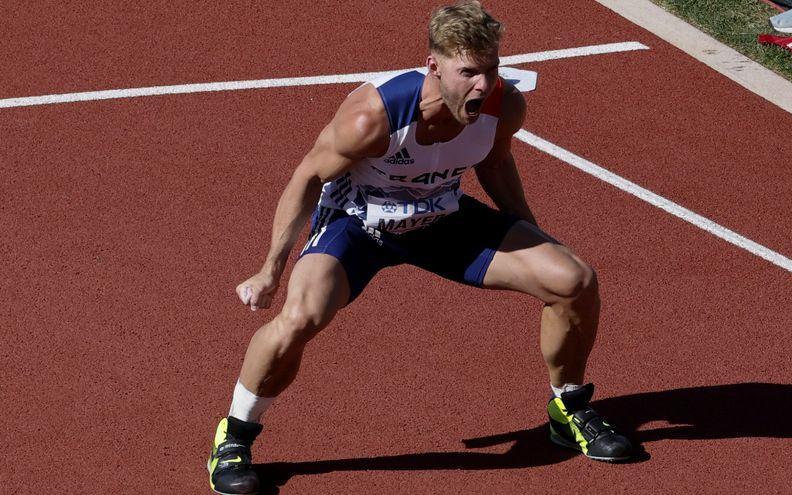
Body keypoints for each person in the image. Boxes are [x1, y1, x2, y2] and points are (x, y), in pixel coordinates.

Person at [207, 2, 632, 493]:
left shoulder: (503, 105)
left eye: (491, 69)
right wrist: (270, 270)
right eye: (469, 72)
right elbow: (307, 177)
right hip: (358, 224)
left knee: (573, 280)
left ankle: (569, 408)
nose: (483, 84)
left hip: (442, 220)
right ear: (434, 65)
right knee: (300, 318)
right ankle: (234, 437)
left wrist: (531, 233)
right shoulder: (373, 116)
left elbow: (494, 165)